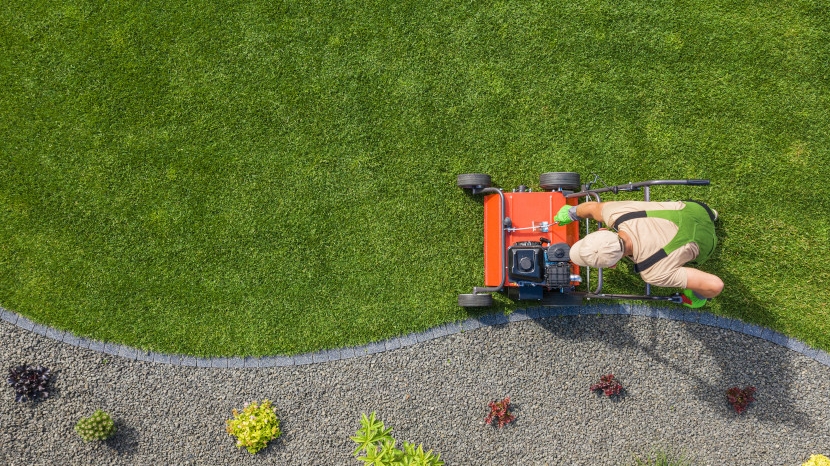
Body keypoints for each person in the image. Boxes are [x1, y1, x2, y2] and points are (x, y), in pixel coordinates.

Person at [554, 200, 723, 308]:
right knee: (701, 213)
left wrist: (698, 295)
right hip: (697, 209)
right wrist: (572, 212)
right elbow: (592, 208)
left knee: (699, 292)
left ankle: (697, 296)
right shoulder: (616, 214)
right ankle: (712, 215)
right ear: (603, 230)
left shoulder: (653, 272)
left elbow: (715, 285)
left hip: (707, 244)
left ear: (612, 264)